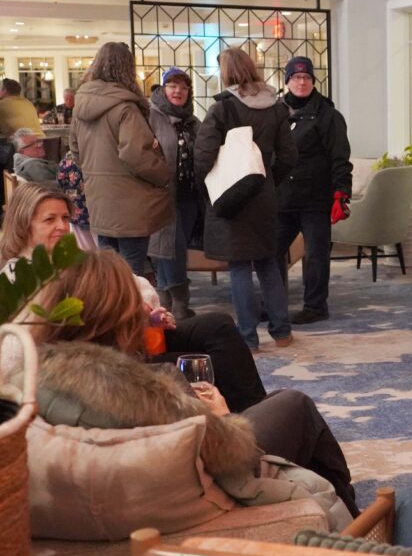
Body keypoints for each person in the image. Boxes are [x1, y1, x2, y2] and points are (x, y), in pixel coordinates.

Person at [30, 250, 359, 520]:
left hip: (124, 498)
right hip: (197, 493)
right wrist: (224, 418)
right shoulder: (153, 393)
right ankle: (355, 522)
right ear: (120, 317)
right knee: (294, 405)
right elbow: (233, 463)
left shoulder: (34, 381)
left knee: (266, 390)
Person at [0, 182, 267, 412]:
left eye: (65, 219)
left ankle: (255, 413)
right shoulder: (17, 277)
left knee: (216, 325)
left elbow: (138, 287)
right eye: (50, 220)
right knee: (194, 364)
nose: (61, 226)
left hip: (132, 337)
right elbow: (22, 351)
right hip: (99, 361)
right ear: (24, 225)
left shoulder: (71, 258)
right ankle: (230, 427)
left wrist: (143, 311)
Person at [194, 48, 298, 351]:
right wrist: (267, 181)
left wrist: (210, 188)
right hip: (264, 195)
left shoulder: (222, 109)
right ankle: (282, 332)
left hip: (231, 196)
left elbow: (203, 157)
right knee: (268, 263)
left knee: (239, 267)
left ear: (225, 72)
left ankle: (249, 338)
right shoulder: (276, 107)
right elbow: (289, 155)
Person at [69, 41, 171, 275]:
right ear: (127, 68)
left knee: (110, 273)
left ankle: (109, 312)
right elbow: (136, 154)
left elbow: (75, 150)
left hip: (99, 200)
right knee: (132, 275)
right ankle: (130, 312)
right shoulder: (125, 107)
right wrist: (163, 174)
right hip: (131, 203)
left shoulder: (80, 105)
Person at [276, 56, 352, 325]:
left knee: (316, 255)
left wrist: (341, 193)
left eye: (306, 77)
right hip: (282, 198)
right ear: (286, 82)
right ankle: (274, 303)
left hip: (315, 199)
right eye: (296, 78)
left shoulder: (328, 115)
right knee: (271, 251)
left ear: (313, 81)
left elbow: (340, 157)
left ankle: (316, 306)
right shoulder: (276, 112)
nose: (301, 82)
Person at [148, 67, 202, 320]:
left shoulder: (192, 121)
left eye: (183, 87)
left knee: (169, 248)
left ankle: (166, 302)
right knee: (171, 248)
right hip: (161, 195)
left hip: (189, 195)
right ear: (163, 89)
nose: (178, 91)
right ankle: (179, 304)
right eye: (172, 86)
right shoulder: (150, 116)